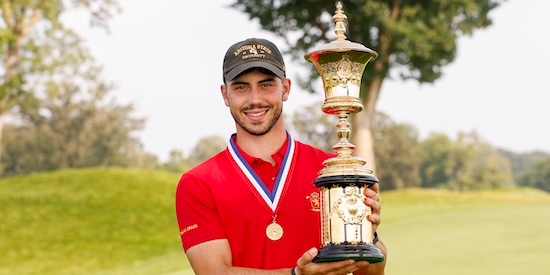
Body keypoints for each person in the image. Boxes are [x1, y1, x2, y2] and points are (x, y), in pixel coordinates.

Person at [175, 37, 387, 275]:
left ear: (285, 88)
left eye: (266, 85)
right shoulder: (199, 183)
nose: (255, 99)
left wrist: (368, 234)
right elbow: (214, 272)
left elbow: (370, 273)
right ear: (225, 95)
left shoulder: (331, 169)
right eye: (241, 87)